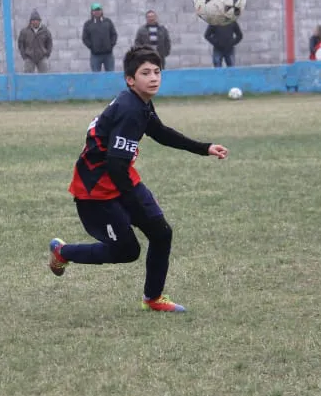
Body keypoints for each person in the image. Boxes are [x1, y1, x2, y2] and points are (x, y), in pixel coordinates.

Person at [47, 45, 229, 313]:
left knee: (161, 234)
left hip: (121, 179)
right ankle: (63, 252)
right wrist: (133, 205)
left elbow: (160, 132)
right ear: (130, 80)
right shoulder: (129, 109)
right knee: (127, 251)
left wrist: (204, 147)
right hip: (96, 191)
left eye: (157, 71)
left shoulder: (140, 102)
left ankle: (153, 299)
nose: (154, 77)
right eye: (146, 73)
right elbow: (114, 163)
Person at [82, 3, 117, 72]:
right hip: (95, 55)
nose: (97, 12)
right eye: (95, 10)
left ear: (101, 11)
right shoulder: (88, 24)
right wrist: (92, 47)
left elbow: (114, 35)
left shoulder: (108, 22)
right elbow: (85, 38)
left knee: (110, 75)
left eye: (99, 10)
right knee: (96, 76)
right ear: (92, 12)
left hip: (108, 55)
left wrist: (111, 45)